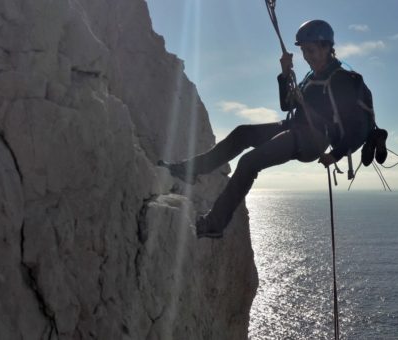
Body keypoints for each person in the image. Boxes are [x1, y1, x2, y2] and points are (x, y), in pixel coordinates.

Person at [159, 19, 375, 238]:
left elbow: (359, 129)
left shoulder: (341, 80)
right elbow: (287, 105)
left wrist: (335, 155)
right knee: (243, 132)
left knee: (249, 162)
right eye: (304, 52)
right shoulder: (313, 77)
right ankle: (192, 170)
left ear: (327, 47)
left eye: (311, 50)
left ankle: (214, 224)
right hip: (296, 128)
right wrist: (284, 75)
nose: (307, 57)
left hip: (313, 140)